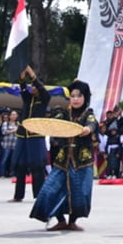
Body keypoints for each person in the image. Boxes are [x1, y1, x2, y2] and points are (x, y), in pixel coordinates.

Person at [29, 79, 98, 231]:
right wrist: (40, 126)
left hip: (81, 161)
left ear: (85, 98)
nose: (75, 99)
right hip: (63, 159)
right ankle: (60, 220)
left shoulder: (89, 114)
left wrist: (87, 129)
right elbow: (54, 123)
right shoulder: (63, 113)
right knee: (51, 189)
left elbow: (92, 125)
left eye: (79, 96)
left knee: (79, 191)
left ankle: (72, 222)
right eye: (72, 96)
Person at [10, 67, 49, 202]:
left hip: (36, 135)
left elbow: (41, 88)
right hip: (23, 135)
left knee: (37, 166)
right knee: (20, 165)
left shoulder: (45, 98)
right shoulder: (28, 98)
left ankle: (39, 196)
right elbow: (22, 89)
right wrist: (22, 78)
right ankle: (18, 195)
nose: (32, 88)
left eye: (34, 86)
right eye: (31, 86)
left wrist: (32, 74)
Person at [0, 109, 20, 177]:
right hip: (6, 145)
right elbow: (4, 132)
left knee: (13, 160)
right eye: (12, 115)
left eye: (15, 115)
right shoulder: (6, 123)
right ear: (9, 116)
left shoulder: (18, 124)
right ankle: (2, 173)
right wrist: (14, 130)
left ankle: (12, 173)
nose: (14, 116)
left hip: (15, 145)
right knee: (4, 160)